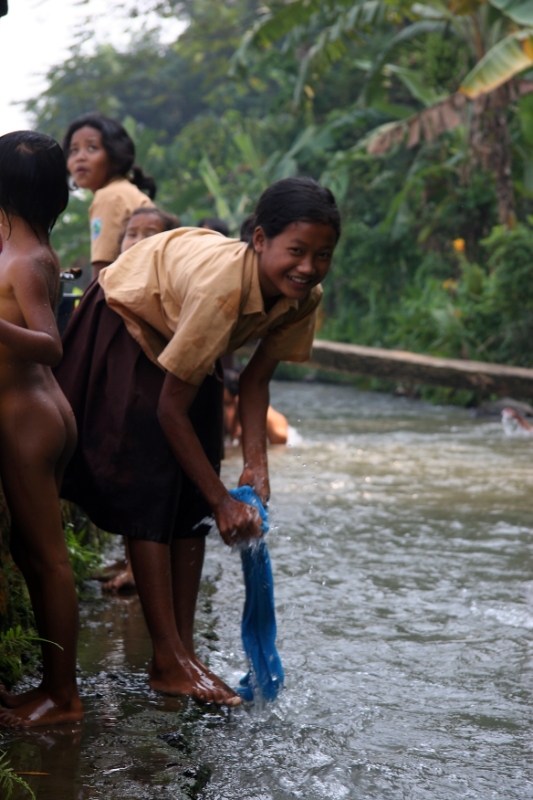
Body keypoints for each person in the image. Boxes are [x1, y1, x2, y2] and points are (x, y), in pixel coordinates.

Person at [55, 176, 341, 706]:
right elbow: (168, 408)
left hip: (184, 330)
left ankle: (182, 652)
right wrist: (223, 499)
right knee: (151, 483)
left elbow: (254, 380)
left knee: (197, 479)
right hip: (129, 314)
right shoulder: (224, 287)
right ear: (260, 241)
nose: (307, 267)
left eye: (322, 255)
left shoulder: (304, 297)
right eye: (296, 251)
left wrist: (255, 466)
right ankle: (167, 659)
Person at [0, 131, 82, 727]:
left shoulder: (28, 260)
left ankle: (64, 697)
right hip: (39, 411)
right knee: (30, 554)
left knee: (49, 560)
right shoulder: (22, 249)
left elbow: (50, 345)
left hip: (28, 417)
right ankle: (51, 688)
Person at [98, 205, 182, 594]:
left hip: (164, 407)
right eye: (132, 233)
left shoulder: (177, 292)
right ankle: (135, 564)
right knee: (131, 486)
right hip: (123, 407)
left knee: (157, 490)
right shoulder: (110, 288)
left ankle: (147, 571)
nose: (139, 240)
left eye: (151, 233)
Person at [63, 113, 156, 280]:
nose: (80, 157)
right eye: (73, 150)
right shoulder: (125, 190)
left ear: (115, 155)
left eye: (92, 147)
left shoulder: (110, 196)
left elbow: (103, 271)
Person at [224, 369, 289, 446]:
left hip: (275, 435)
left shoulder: (239, 399)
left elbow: (244, 428)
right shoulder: (246, 396)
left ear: (226, 390)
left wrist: (235, 448)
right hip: (283, 430)